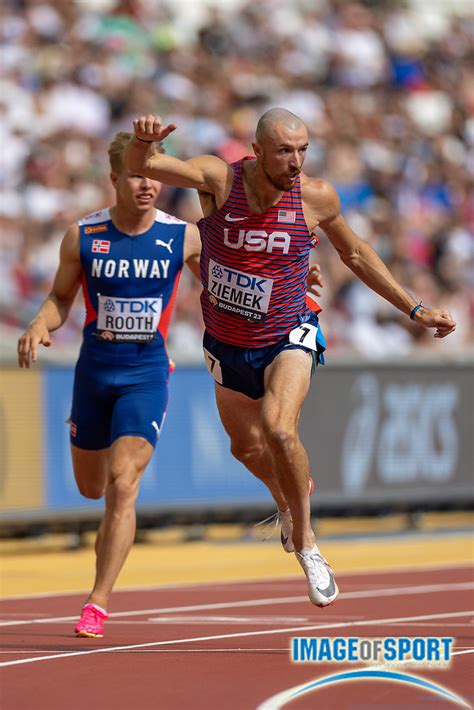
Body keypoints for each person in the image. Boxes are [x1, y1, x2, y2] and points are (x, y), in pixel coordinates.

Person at [125, 108, 456, 608]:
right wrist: (140, 143)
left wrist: (413, 307)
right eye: (285, 151)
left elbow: (358, 254)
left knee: (280, 430)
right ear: (257, 151)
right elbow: (148, 166)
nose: (297, 161)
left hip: (289, 331)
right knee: (247, 448)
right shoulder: (220, 178)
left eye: (303, 150)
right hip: (226, 339)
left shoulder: (316, 197)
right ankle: (286, 500)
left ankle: (307, 544)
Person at [17, 132, 203, 638]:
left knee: (124, 487)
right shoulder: (83, 235)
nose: (148, 185)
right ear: (115, 179)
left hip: (146, 374)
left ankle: (96, 603)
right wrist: (39, 322)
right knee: (92, 487)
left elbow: (227, 285)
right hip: (94, 375)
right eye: (138, 176)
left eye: (156, 176)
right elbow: (59, 298)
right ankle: (102, 571)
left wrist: (293, 287)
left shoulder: (183, 236)